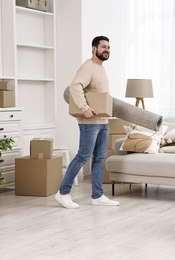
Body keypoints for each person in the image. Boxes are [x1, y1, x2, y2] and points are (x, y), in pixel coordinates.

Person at [55, 36, 119, 209]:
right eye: (103, 47)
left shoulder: (100, 68)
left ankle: (97, 196)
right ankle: (62, 193)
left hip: (103, 121)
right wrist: (84, 108)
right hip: (90, 122)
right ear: (93, 48)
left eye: (109, 47)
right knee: (83, 156)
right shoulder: (88, 67)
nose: (107, 50)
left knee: (99, 158)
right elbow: (75, 86)